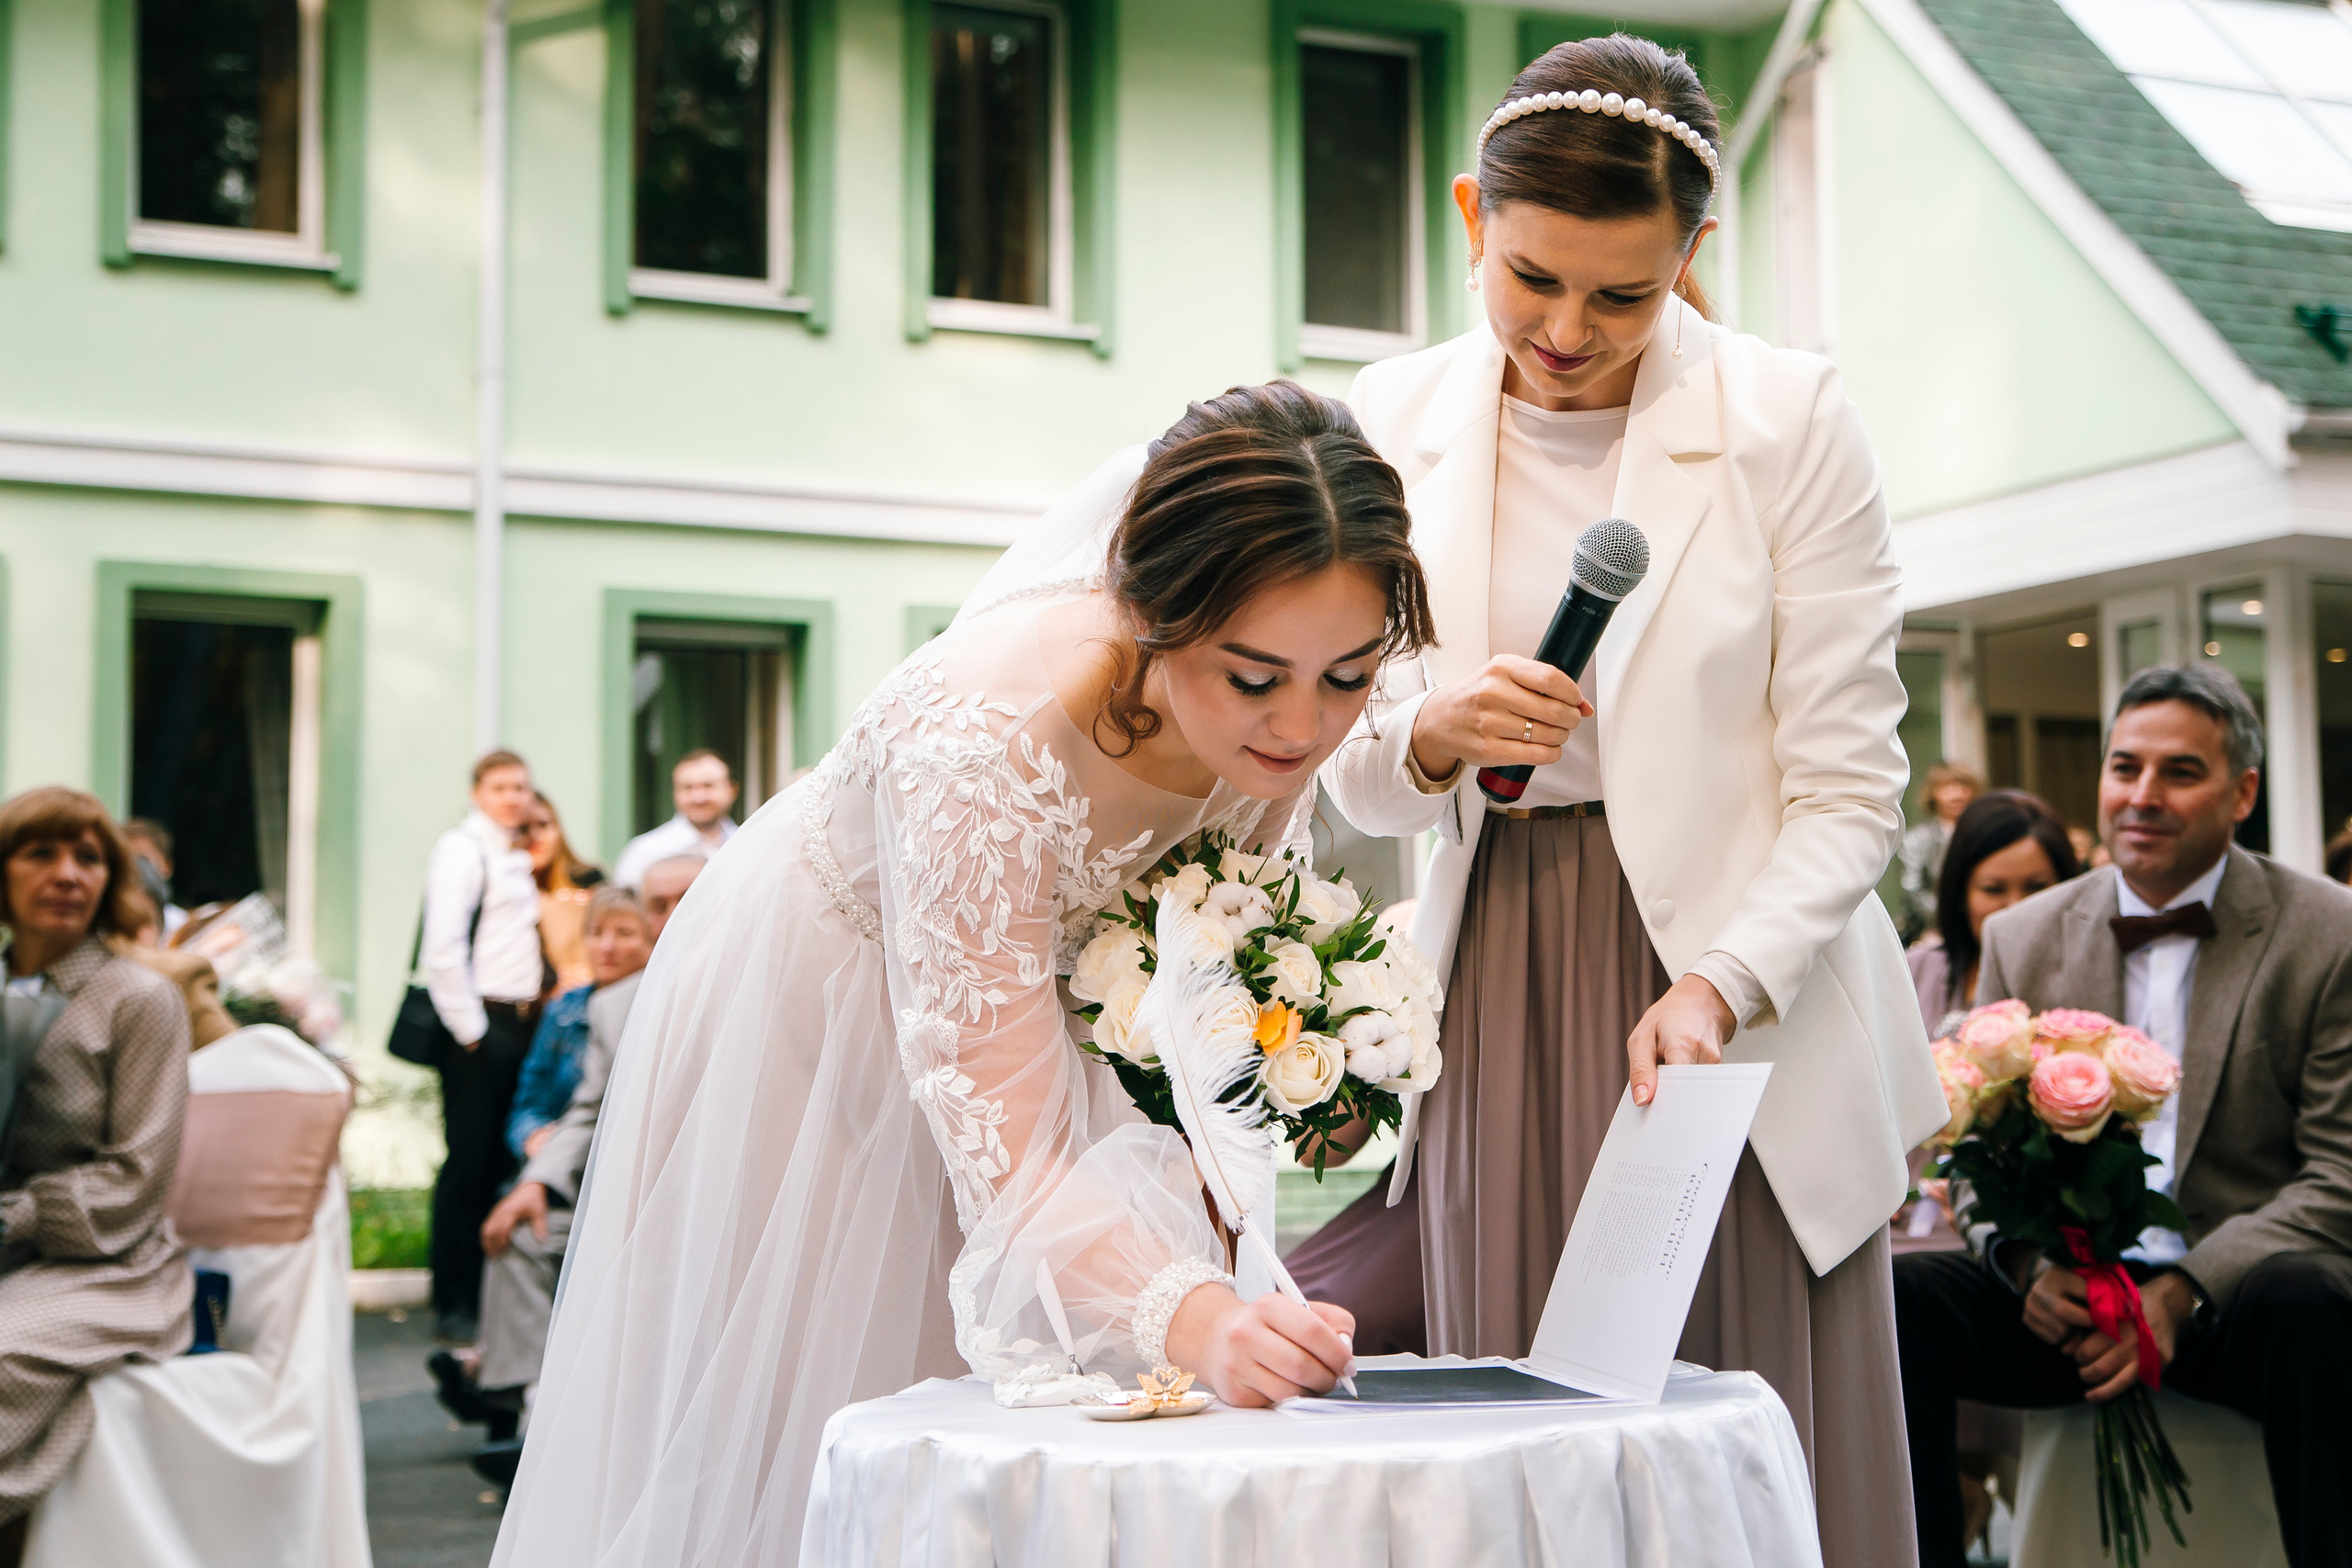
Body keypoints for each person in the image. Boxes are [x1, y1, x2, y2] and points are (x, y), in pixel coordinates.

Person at [491, 383, 1431, 1565]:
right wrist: (1190, 1314)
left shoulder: (1278, 715)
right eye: (1253, 678)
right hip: (820, 1018)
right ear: (1152, 612)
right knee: (832, 1393)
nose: (1300, 728)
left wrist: (1230, 1207)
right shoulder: (983, 740)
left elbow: (1195, 987)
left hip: (1048, 1029)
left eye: (1347, 678)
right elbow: (1009, 1141)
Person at [1317, 37, 1945, 1568]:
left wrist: (1726, 982)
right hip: (1499, 971)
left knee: (1731, 1422)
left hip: (1737, 998)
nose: (1566, 332)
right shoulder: (1384, 418)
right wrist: (1426, 731)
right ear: (1472, 216)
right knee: (1522, 1441)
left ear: (1694, 255)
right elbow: (1339, 762)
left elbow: (1854, 784)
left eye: (1624, 294)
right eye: (1530, 278)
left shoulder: (1791, 420)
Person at [1894, 665, 2352, 1568]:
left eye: (2179, 772)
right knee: (1906, 1305)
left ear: (2242, 792)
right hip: (2070, 1301)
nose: (2141, 796)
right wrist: (2025, 1267)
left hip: (2228, 1299)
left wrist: (2182, 1293)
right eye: (2123, 768)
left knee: (2313, 1306)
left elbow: (2338, 1174)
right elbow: (1968, 1145)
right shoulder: (2024, 933)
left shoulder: (2326, 932)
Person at [454, 863, 700, 1487]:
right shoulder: (610, 1007)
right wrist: (534, 1179)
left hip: (711, 1204)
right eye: (658, 904)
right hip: (619, 1196)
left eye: (684, 900)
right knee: (521, 1228)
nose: (669, 916)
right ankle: (533, 1424)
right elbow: (585, 1106)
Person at [0, 789, 192, 1563]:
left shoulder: (142, 998)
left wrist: (12, 1217)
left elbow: (136, 1179)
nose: (68, 874)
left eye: (89, 857)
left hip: (110, 1264)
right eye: (40, 853)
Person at [421, 750, 543, 1345]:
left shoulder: (517, 854)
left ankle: (488, 1299)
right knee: (468, 1164)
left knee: (499, 1162)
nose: (513, 796)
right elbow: (442, 945)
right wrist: (473, 1033)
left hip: (520, 1024)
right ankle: (453, 1299)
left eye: (521, 786)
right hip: (480, 1025)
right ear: (477, 792)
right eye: (500, 786)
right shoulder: (461, 848)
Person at [1906, 790, 2078, 1038]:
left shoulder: (2088, 976)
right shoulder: (1914, 973)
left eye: (2037, 888)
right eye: (1993, 889)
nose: (2015, 909)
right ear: (1961, 894)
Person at [612, 749, 739, 889]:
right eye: (687, 788)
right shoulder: (645, 852)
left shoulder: (746, 844)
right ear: (675, 794)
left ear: (732, 790)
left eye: (708, 786)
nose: (698, 797)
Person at [523, 793, 604, 994]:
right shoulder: (503, 894)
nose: (535, 837)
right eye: (523, 829)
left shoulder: (589, 879)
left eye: (543, 825)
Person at [1899, 762, 1984, 940]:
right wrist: (1949, 915)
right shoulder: (1918, 839)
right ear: (1933, 794)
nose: (1957, 795)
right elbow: (1912, 889)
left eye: (1963, 787)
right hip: (1935, 929)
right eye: (1946, 788)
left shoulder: (1984, 833)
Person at [118, 818, 187, 942]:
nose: (135, 868)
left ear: (167, 867)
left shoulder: (182, 926)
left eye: (143, 859)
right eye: (125, 860)